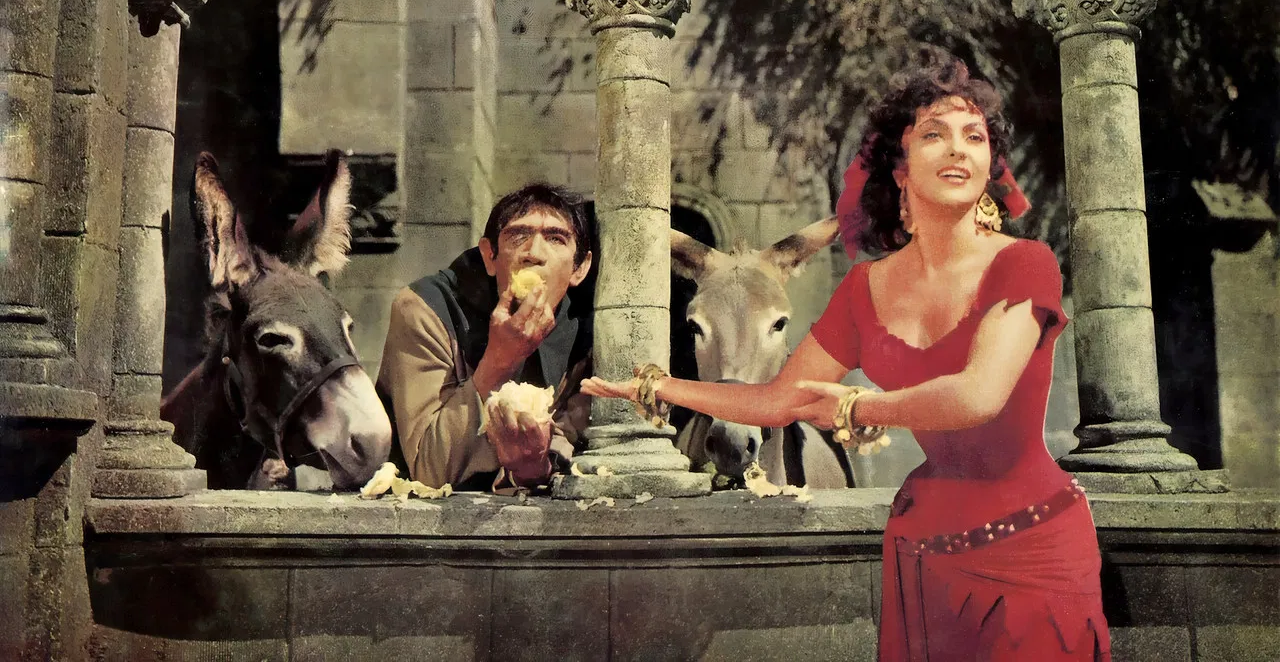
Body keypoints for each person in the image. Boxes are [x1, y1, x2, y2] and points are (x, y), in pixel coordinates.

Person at [582, 58, 1111, 660]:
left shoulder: (1025, 262)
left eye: (975, 136)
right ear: (900, 169)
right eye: (934, 134)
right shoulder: (864, 289)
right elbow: (779, 401)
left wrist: (859, 406)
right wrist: (659, 387)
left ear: (990, 164)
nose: (957, 149)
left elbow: (978, 395)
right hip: (923, 551)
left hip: (1033, 545)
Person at [378, 183, 594, 492]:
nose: (534, 254)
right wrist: (499, 360)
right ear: (489, 256)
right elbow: (428, 471)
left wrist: (535, 467)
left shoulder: (583, 335)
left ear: (579, 268)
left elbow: (567, 444)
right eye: (518, 236)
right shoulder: (427, 309)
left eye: (556, 238)